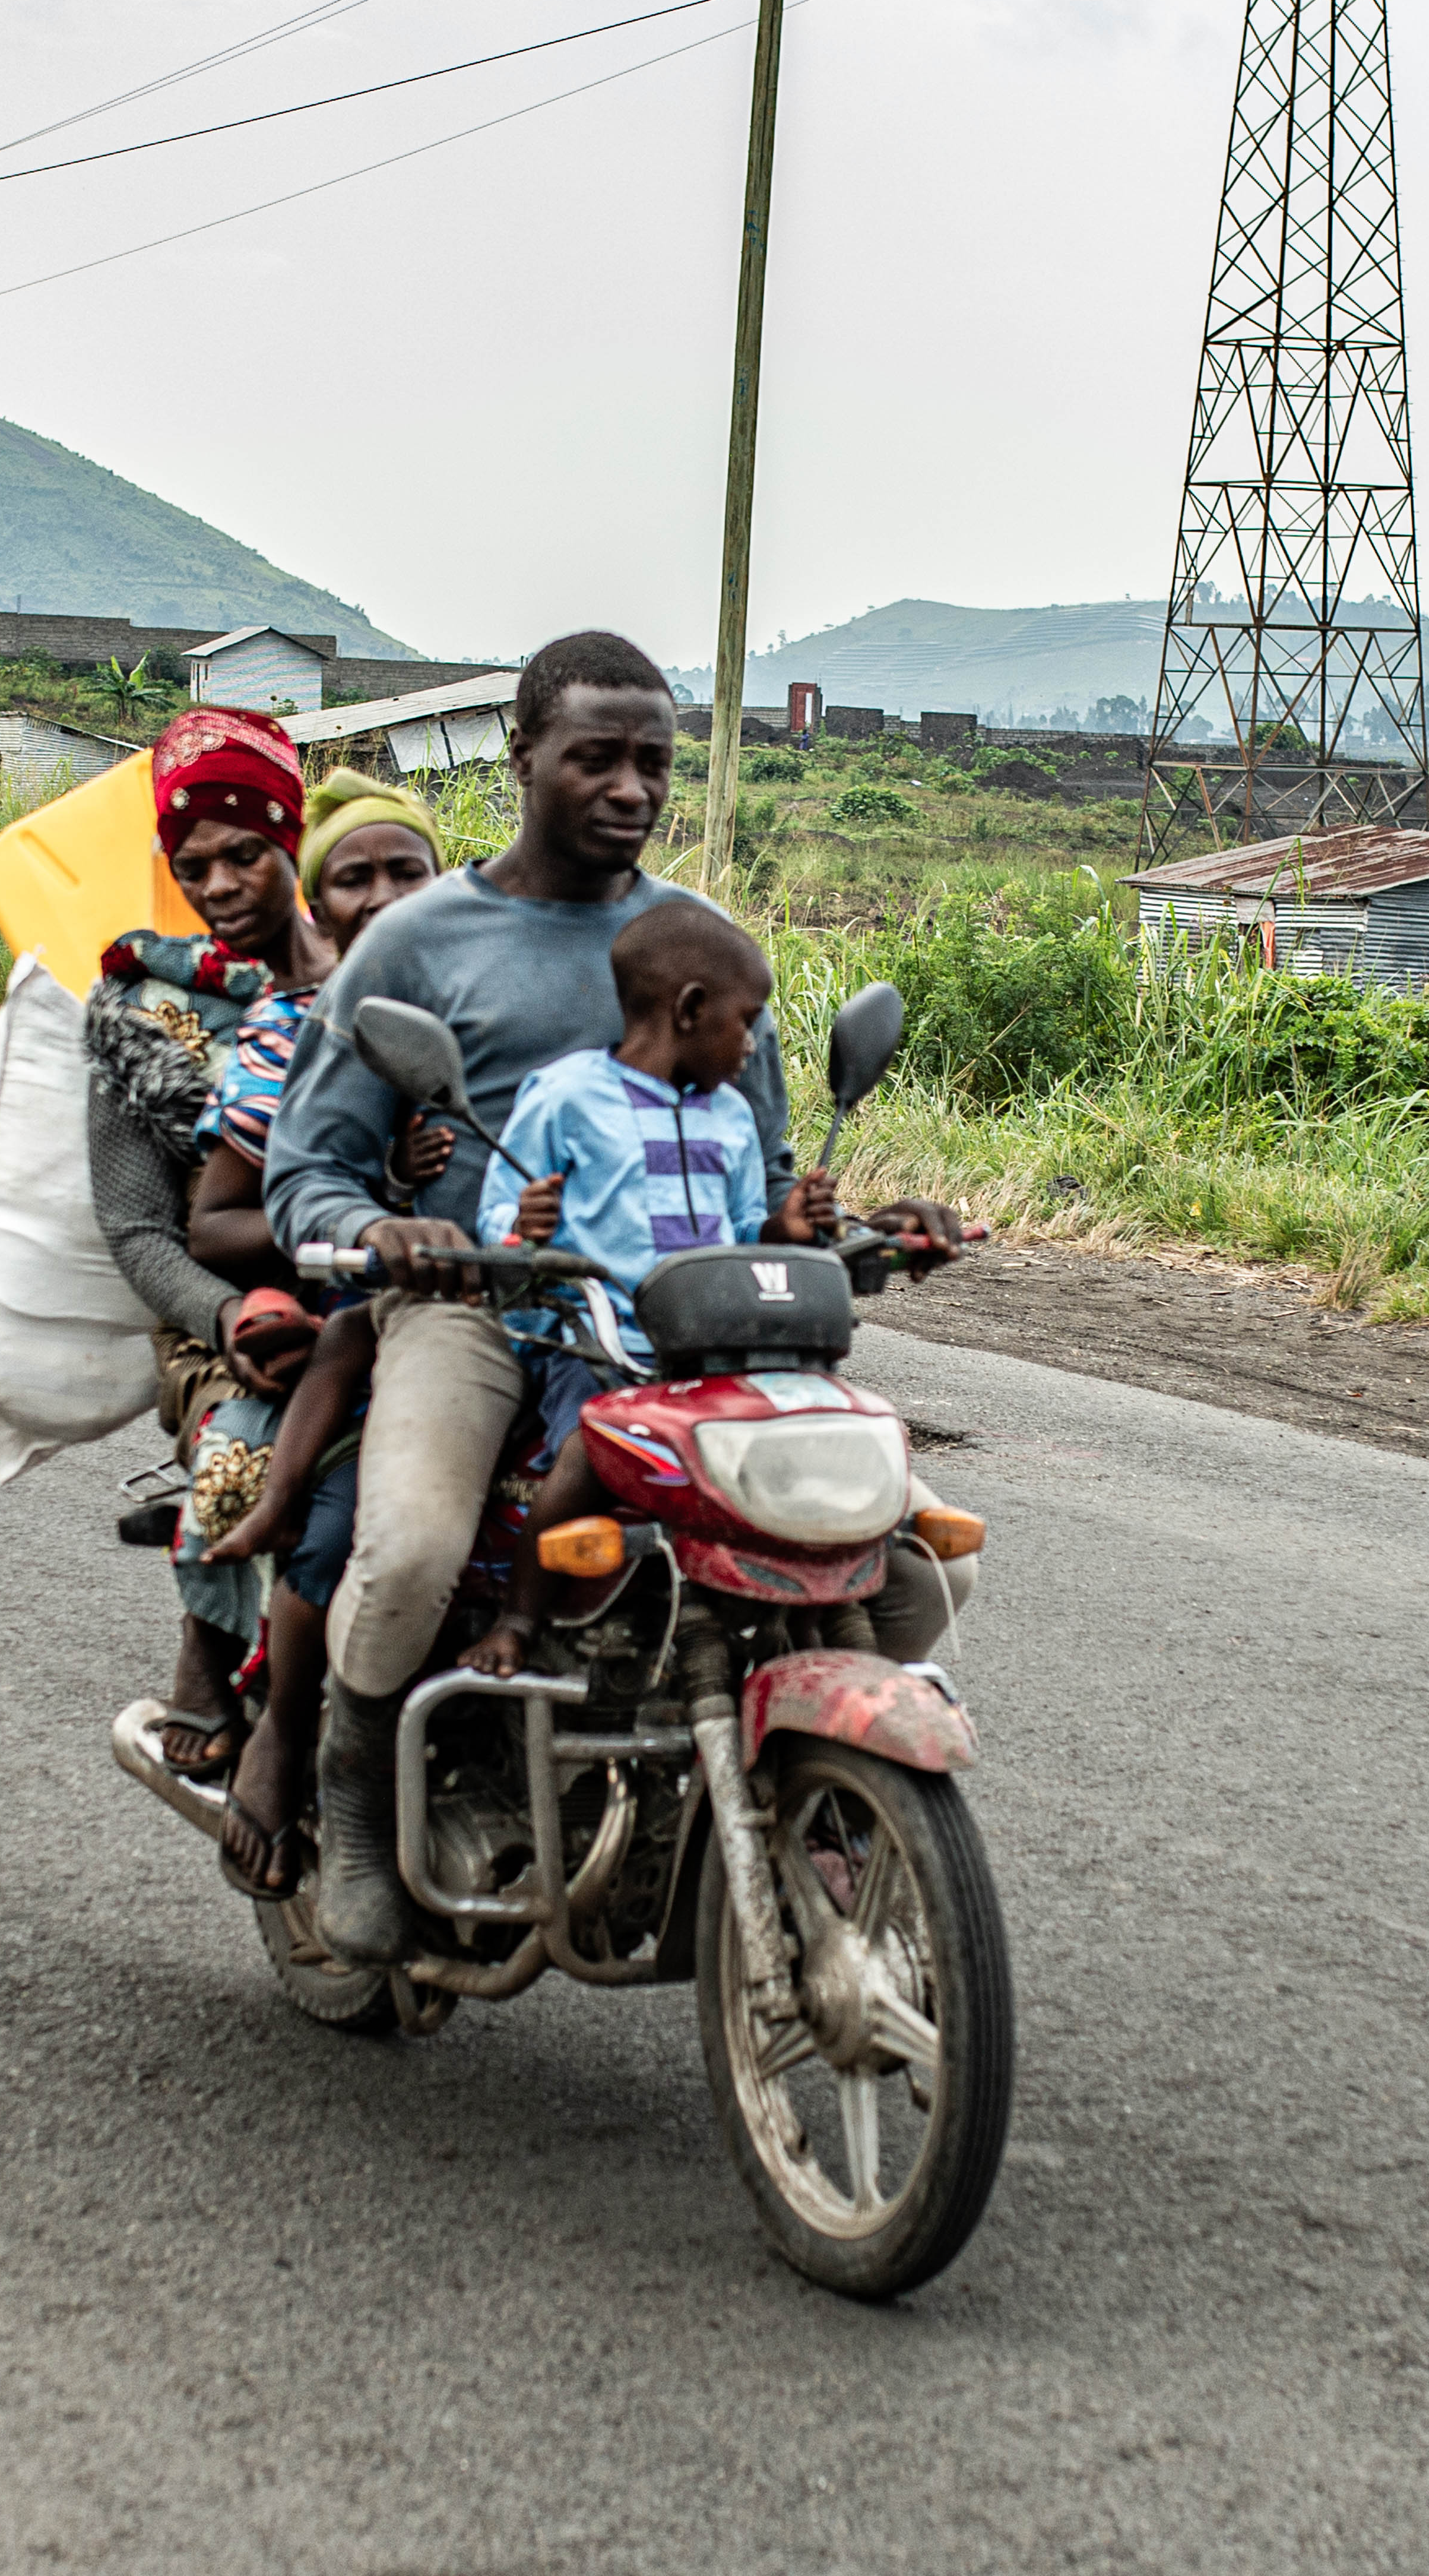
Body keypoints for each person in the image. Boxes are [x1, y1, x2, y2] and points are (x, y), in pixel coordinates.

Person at [261, 631, 969, 1964]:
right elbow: (310, 1168)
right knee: (408, 1544)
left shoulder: (697, 943)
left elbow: (758, 1179)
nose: (631, 785)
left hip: (683, 1319)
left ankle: (802, 1786)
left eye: (652, 758)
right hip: (479, 1305)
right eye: (596, 755)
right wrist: (389, 1231)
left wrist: (871, 1227)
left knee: (901, 1549)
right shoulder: (418, 942)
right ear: (521, 756)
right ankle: (352, 1796)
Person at [182, 771, 460, 1895]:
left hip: (524, 1304)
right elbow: (217, 1217)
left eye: (411, 874)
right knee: (343, 1515)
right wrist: (371, 1212)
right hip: (358, 1303)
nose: (387, 897)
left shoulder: (495, 999)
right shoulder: (296, 1028)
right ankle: (288, 1738)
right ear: (319, 898)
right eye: (357, 877)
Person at [456, 898, 837, 1679]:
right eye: (748, 1021)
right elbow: (499, 1209)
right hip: (599, 1344)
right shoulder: (564, 1096)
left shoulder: (731, 1118)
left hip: (711, 1349)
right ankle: (520, 1618)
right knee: (585, 1455)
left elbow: (737, 1236)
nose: (752, 1044)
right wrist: (521, 1223)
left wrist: (785, 1229)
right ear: (691, 1011)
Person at [83, 705, 333, 1781]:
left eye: (247, 853)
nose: (223, 884)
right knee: (252, 1437)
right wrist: (226, 1315)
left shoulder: (391, 958)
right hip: (231, 1317)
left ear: (295, 840)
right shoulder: (147, 1003)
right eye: (195, 865)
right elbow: (138, 1228)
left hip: (402, 1287)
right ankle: (213, 1642)